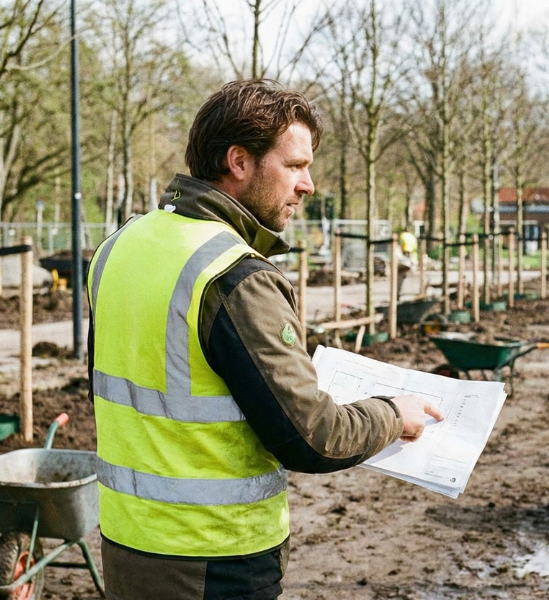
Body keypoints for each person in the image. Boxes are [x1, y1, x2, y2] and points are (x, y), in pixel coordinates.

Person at [85, 80, 443, 600]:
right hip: (215, 560)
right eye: (295, 165)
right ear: (239, 161)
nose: (309, 184)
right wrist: (394, 414)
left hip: (127, 545)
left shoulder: (120, 245)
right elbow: (314, 436)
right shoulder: (235, 275)